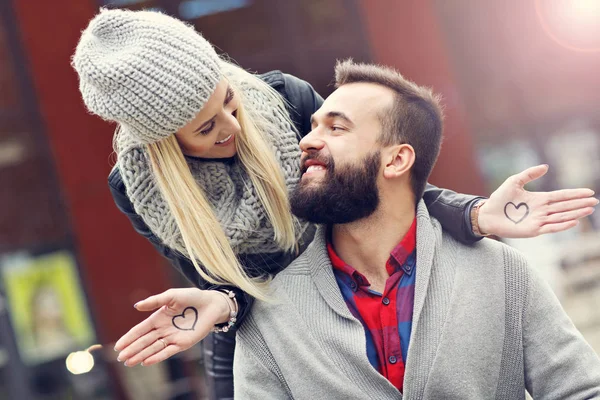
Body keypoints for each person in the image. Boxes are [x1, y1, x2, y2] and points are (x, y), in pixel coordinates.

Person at [71, 9, 598, 400]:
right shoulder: (140, 190)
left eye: (228, 100)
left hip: (350, 283)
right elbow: (217, 279)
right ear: (163, 141)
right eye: (206, 128)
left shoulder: (286, 101)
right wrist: (227, 307)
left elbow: (374, 178)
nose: (232, 127)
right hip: (250, 319)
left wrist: (473, 214)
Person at [233, 60, 600, 399]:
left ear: (396, 160)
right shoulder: (269, 316)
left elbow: (581, 392)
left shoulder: (503, 273)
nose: (307, 141)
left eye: (336, 127)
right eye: (313, 127)